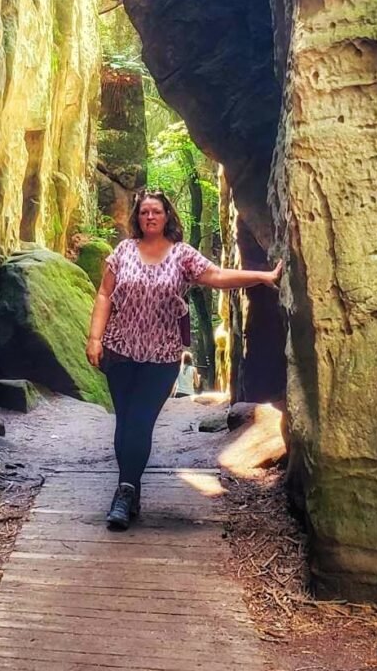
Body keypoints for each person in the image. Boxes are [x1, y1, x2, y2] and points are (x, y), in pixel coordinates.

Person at [86, 188, 282, 531]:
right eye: (145, 212)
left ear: (166, 217)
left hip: (161, 357)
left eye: (156, 212)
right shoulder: (123, 251)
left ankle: (124, 492)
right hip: (120, 351)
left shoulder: (182, 255)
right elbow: (104, 293)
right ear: (138, 216)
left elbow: (218, 276)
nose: (150, 217)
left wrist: (263, 277)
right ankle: (129, 489)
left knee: (141, 422)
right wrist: (95, 338)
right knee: (125, 421)